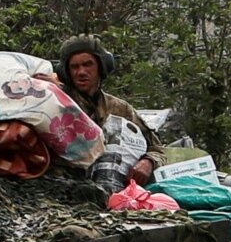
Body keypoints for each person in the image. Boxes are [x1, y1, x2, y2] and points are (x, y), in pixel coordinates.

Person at [55, 35, 165, 184]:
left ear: (101, 66)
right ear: (66, 72)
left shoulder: (120, 109)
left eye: (88, 64)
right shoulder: (57, 102)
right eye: (74, 67)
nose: (81, 72)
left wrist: (148, 162)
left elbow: (156, 148)